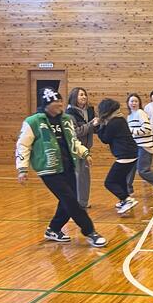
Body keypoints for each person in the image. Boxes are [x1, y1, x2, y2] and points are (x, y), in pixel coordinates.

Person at [16, 87, 108, 247]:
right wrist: (22, 168)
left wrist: (84, 152)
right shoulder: (33, 122)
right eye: (56, 102)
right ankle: (90, 232)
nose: (60, 104)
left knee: (67, 200)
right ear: (47, 104)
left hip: (68, 165)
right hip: (49, 168)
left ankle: (53, 229)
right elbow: (23, 145)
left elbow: (73, 140)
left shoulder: (65, 119)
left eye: (60, 101)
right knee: (71, 200)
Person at [97, 98, 140, 214]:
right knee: (120, 179)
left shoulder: (114, 122)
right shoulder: (120, 119)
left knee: (109, 182)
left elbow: (105, 139)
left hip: (125, 155)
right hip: (131, 153)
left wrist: (98, 126)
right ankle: (124, 199)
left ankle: (127, 199)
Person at [125, 93, 153, 196]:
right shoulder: (129, 116)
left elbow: (147, 129)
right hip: (136, 147)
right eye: (131, 101)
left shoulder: (141, 113)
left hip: (145, 147)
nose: (133, 103)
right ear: (128, 103)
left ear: (139, 103)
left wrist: (131, 130)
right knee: (130, 168)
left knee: (143, 171)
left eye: (136, 101)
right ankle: (128, 190)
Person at [66, 87, 100, 209]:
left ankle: (83, 203)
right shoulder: (69, 114)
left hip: (86, 148)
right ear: (74, 97)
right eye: (81, 95)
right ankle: (74, 203)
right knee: (76, 177)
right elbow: (75, 132)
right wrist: (91, 124)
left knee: (85, 178)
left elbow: (94, 129)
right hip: (75, 149)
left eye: (85, 94)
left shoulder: (90, 110)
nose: (84, 97)